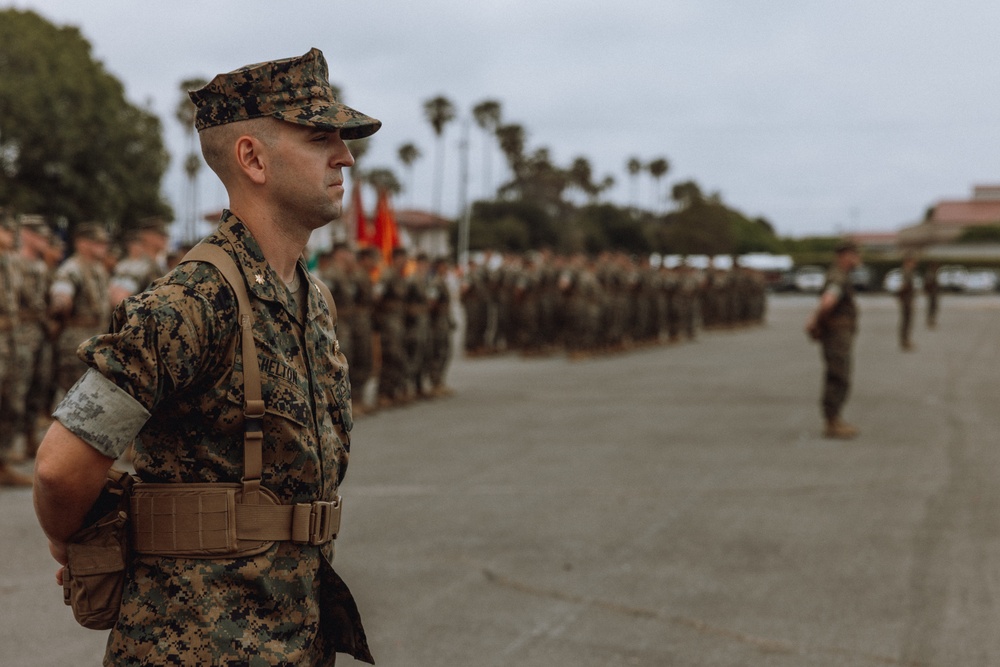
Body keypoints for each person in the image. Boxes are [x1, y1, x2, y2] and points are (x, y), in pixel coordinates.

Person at [33, 47, 380, 665]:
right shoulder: (188, 303)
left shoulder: (309, 297)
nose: (345, 156)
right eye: (321, 137)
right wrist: (73, 543)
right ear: (252, 158)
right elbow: (63, 466)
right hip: (195, 642)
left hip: (294, 631)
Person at [805, 240, 861, 439]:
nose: (857, 258)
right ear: (845, 256)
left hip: (838, 334)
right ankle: (832, 421)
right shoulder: (838, 276)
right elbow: (828, 301)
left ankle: (834, 419)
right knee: (838, 376)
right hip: (837, 335)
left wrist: (814, 320)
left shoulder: (839, 275)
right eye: (854, 254)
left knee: (837, 375)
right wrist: (816, 322)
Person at [0, 212, 33, 486]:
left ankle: (2, 463)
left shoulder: (10, 261)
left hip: (9, 338)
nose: (11, 236)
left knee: (10, 399)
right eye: (6, 230)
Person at [896, 254, 917, 351]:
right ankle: (905, 341)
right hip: (906, 300)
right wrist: (903, 297)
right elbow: (904, 286)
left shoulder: (907, 271)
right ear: (907, 262)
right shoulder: (906, 272)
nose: (914, 264)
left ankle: (905, 340)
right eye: (912, 262)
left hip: (907, 299)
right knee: (906, 321)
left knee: (907, 320)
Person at [924, 260, 939, 329]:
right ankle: (930, 320)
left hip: (934, 293)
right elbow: (928, 284)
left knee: (934, 306)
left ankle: (932, 319)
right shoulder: (930, 274)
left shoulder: (933, 273)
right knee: (931, 306)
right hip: (931, 293)